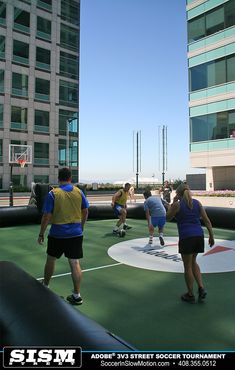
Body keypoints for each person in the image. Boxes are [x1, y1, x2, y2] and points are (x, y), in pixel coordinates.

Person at [37, 167, 89, 305]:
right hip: (76, 234)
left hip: (57, 234)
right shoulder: (79, 192)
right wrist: (81, 226)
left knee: (51, 260)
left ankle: (46, 286)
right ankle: (77, 295)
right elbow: (85, 211)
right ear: (70, 178)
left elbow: (46, 216)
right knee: (75, 263)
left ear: (59, 178)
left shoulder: (53, 194)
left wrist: (41, 233)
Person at [166, 183, 214, 304]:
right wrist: (211, 236)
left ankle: (190, 294)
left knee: (187, 266)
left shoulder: (177, 205)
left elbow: (167, 218)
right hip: (199, 236)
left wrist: (172, 203)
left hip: (186, 237)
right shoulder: (197, 203)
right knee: (194, 262)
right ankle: (201, 287)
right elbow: (207, 221)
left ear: (178, 194)